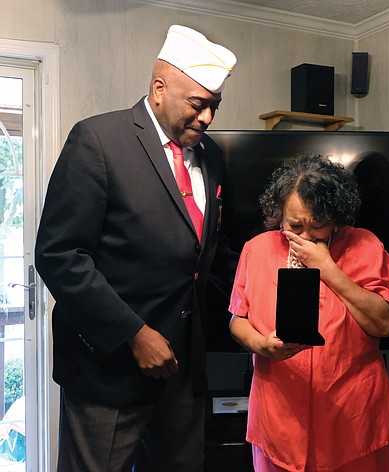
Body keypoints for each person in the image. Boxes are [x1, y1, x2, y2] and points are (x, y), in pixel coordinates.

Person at [34, 25, 237, 471]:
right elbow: (60, 254)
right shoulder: (98, 141)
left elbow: (209, 256)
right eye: (198, 105)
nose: (207, 119)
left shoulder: (212, 156)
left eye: (214, 108)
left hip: (183, 371)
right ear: (159, 89)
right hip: (108, 370)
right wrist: (134, 334)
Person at [229, 155, 389, 472]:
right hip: (279, 419)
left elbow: (385, 324)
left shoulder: (366, 245)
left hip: (353, 419)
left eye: (318, 225)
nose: (306, 235)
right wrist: (262, 345)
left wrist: (328, 268)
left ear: (335, 217)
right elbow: (237, 320)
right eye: (295, 225)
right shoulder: (257, 249)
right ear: (278, 215)